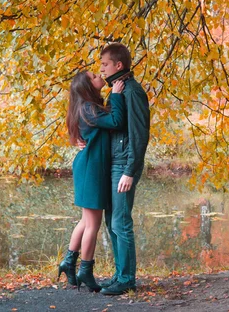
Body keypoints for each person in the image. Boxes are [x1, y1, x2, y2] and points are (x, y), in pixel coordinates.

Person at [58, 70, 126, 292]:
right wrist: (115, 95)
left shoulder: (86, 107)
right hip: (91, 169)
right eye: (95, 76)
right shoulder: (89, 108)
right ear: (88, 86)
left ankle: (69, 262)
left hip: (88, 166)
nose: (100, 76)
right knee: (93, 225)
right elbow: (115, 121)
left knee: (86, 222)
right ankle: (85, 270)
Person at [98, 43, 150, 296]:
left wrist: (130, 170)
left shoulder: (133, 91)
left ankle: (127, 279)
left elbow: (139, 135)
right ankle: (120, 275)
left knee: (121, 222)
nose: (102, 70)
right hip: (114, 162)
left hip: (124, 165)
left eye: (105, 65)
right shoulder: (118, 91)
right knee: (111, 222)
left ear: (119, 65)